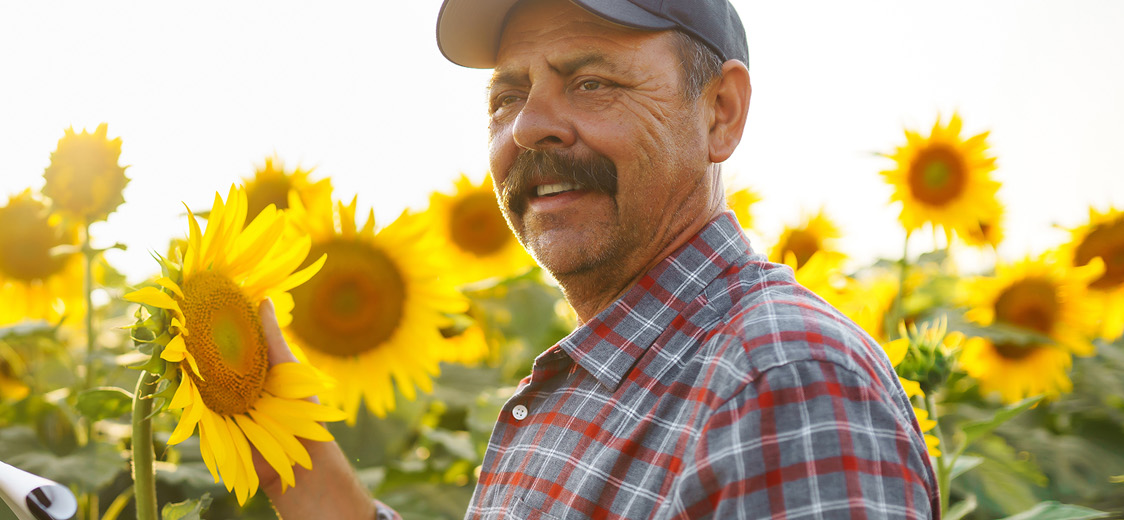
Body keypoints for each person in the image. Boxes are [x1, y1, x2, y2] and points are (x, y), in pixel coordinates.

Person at [250, 0, 940, 517]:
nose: (527, 126)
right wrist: (301, 470)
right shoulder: (610, 369)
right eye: (508, 95)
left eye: (591, 83)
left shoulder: (781, 380)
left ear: (720, 112)